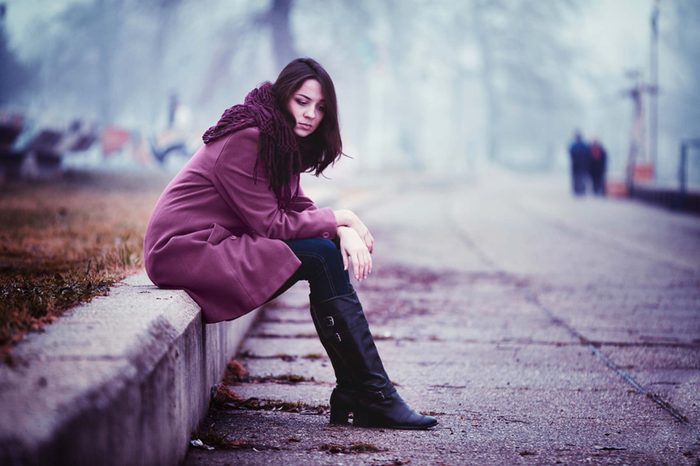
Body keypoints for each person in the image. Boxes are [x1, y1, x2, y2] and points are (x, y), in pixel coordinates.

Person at [143, 58, 437, 430]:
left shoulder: (276, 139)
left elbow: (295, 206)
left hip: (213, 245)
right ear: (283, 97)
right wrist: (341, 218)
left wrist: (339, 228)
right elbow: (272, 224)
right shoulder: (247, 137)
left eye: (320, 107)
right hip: (183, 250)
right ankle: (369, 393)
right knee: (319, 255)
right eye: (302, 102)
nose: (311, 114)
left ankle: (363, 391)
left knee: (323, 252)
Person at [568, 130, 590, 196]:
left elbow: (587, 153)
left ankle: (581, 189)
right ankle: (577, 189)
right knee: (577, 177)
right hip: (577, 164)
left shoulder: (581, 145)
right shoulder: (575, 145)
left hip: (581, 164)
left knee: (581, 177)